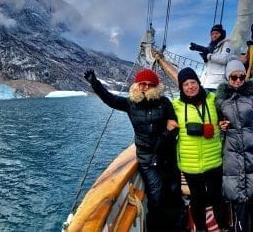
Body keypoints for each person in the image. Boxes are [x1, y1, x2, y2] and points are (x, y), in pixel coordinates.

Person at [84, 68, 183, 231]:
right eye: (141, 84)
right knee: (156, 197)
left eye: (148, 84)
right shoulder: (131, 103)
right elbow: (110, 99)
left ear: (154, 86)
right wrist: (95, 83)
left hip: (167, 154)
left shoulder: (164, 102)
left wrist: (163, 139)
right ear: (136, 85)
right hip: (147, 158)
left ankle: (179, 226)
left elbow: (174, 126)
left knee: (173, 192)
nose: (144, 87)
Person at [172, 67, 224, 231]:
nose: (190, 87)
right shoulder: (176, 105)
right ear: (181, 87)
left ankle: (223, 227)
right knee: (197, 198)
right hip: (190, 162)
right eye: (185, 84)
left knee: (217, 197)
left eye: (192, 82)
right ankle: (201, 229)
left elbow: (227, 115)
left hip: (214, 159)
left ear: (198, 82)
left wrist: (223, 123)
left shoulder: (213, 99)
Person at [216, 60, 253, 231]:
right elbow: (215, 124)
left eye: (241, 77)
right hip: (232, 155)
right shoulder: (220, 100)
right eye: (234, 77)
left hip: (251, 152)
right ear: (227, 77)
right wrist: (220, 126)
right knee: (240, 202)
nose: (238, 80)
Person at [197, 24, 237, 91]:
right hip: (208, 82)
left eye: (217, 33)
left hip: (218, 84)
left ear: (222, 34)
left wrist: (208, 56)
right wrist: (205, 60)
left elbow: (225, 59)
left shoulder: (227, 44)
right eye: (212, 34)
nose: (214, 35)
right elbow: (212, 65)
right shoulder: (214, 47)